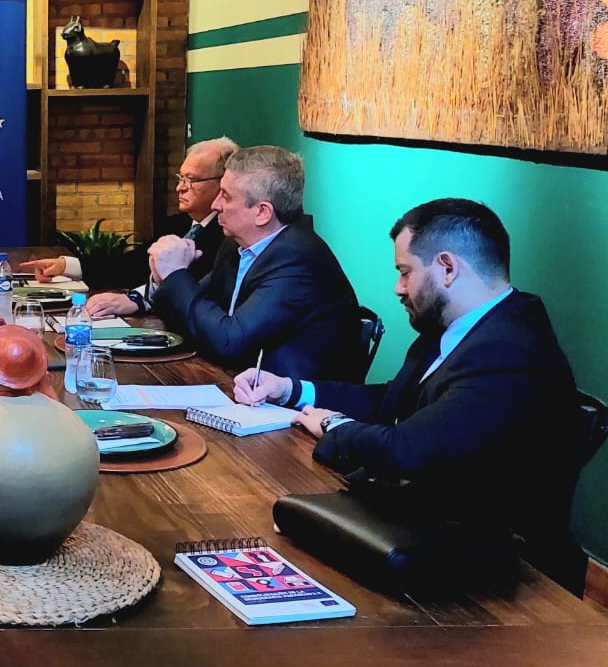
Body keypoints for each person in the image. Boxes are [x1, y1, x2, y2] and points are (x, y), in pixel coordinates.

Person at [232, 198, 586, 593]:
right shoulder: (457, 327)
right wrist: (292, 389)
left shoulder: (510, 353)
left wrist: (334, 426)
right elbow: (393, 403)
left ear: (447, 268)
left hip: (503, 577)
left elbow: (409, 449)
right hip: (425, 524)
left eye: (405, 272)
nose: (398, 288)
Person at [148, 145, 360, 380]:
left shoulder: (297, 260)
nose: (215, 204)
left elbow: (229, 341)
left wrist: (176, 275)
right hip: (235, 384)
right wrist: (165, 276)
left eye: (225, 196)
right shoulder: (236, 245)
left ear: (262, 212)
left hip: (295, 406)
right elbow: (197, 315)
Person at [21, 137, 237, 311]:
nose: (180, 188)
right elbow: (131, 266)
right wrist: (65, 266)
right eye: (180, 178)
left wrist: (136, 300)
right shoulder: (178, 224)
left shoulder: (230, 236)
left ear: (223, 183)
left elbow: (196, 292)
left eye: (192, 180)